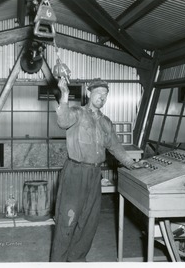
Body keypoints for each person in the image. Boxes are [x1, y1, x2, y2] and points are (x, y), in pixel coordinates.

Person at [50, 78, 148, 262]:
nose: (102, 98)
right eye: (99, 93)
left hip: (95, 174)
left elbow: (115, 147)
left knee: (89, 222)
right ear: (89, 93)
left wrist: (130, 162)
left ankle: (77, 259)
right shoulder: (77, 113)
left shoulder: (106, 123)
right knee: (67, 221)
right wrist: (64, 95)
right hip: (75, 172)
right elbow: (62, 120)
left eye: (105, 95)